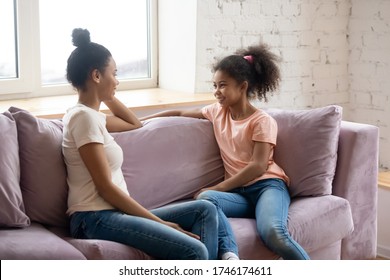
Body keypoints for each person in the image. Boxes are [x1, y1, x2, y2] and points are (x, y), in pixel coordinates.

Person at [140, 43, 310, 260]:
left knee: (273, 233)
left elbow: (258, 166)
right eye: (214, 85)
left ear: (242, 87)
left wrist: (219, 186)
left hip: (267, 186)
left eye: (222, 85)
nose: (216, 92)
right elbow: (180, 112)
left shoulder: (262, 121)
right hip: (239, 194)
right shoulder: (217, 112)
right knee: (207, 199)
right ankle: (230, 255)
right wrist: (142, 121)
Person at [62, 28, 218, 260]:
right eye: (113, 74)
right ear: (96, 75)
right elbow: (105, 188)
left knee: (204, 210)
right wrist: (161, 223)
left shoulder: (92, 116)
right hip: (94, 217)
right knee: (195, 251)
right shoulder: (83, 118)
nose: (117, 81)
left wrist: (107, 93)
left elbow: (133, 123)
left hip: (112, 214)